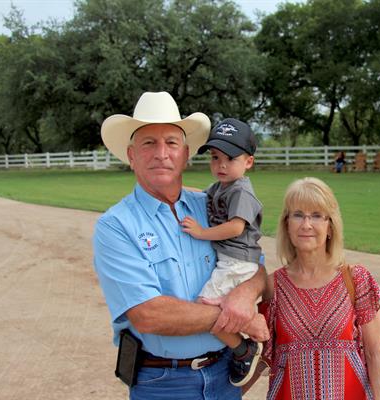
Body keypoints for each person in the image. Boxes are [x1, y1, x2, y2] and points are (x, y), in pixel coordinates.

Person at [92, 91, 269, 400]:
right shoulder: (117, 225)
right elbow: (149, 315)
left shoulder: (210, 205)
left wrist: (243, 295)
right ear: (131, 155)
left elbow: (257, 267)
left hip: (225, 374)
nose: (162, 153)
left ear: (186, 153)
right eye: (149, 143)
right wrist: (240, 318)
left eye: (172, 142)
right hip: (162, 381)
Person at [260, 177, 380, 400]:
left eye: (317, 216)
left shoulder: (356, 279)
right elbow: (261, 357)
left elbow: (375, 354)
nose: (306, 225)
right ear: (287, 224)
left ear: (330, 226)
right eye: (298, 214)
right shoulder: (273, 286)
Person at [180, 117, 263, 387]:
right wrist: (173, 189)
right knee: (215, 306)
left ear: (248, 161)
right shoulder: (221, 187)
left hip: (237, 263)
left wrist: (201, 233)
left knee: (205, 307)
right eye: (215, 158)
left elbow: (236, 227)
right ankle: (247, 321)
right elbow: (199, 197)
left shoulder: (241, 192)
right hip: (229, 262)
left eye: (230, 158)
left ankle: (244, 348)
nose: (221, 165)